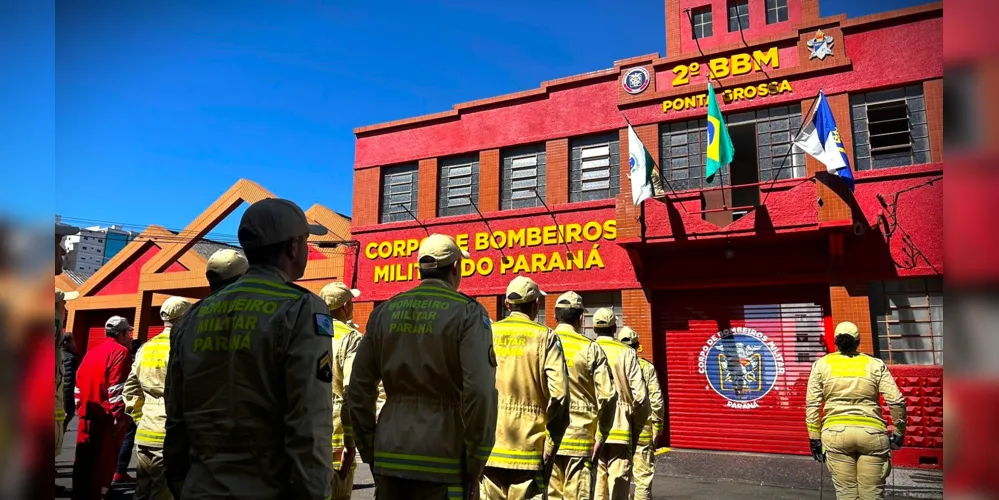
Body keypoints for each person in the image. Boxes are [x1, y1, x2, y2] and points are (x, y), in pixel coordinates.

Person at [163, 198, 333, 499]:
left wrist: (179, 482)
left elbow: (176, 416)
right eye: (306, 241)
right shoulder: (301, 308)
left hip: (199, 488)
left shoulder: (194, 315)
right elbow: (309, 419)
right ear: (294, 246)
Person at [347, 234, 497, 500]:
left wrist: (370, 447)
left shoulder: (385, 312)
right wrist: (476, 460)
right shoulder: (468, 313)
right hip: (444, 458)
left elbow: (358, 390)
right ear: (455, 268)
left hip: (389, 452)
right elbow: (480, 393)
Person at [481, 276, 569, 500]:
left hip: (490, 448)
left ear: (508, 305)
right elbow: (559, 395)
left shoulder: (488, 333)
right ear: (536, 305)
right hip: (528, 449)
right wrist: (552, 442)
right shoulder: (545, 337)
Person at [806, 321, 908, 500]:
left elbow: (813, 404)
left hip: (836, 434)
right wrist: (899, 433)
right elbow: (897, 401)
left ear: (835, 342)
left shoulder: (821, 365)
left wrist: (814, 439)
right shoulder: (874, 364)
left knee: (847, 493)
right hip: (872, 434)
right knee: (871, 494)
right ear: (858, 341)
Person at [547, 291, 617, 500]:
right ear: (580, 318)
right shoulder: (590, 349)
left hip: (547, 439)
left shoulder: (543, 342)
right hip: (580, 439)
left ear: (555, 316)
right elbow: (607, 396)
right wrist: (602, 434)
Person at [124, 296, 192, 500]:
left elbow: (130, 390)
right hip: (169, 435)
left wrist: (139, 417)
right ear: (184, 318)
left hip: (145, 432)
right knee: (164, 493)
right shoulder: (183, 347)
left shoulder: (146, 348)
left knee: (143, 490)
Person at [73, 315, 134, 500]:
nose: (130, 336)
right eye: (128, 333)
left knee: (83, 462)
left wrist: (79, 407)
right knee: (101, 465)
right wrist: (120, 417)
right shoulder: (121, 352)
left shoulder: (93, 351)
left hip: (86, 414)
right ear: (122, 333)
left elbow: (78, 382)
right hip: (105, 418)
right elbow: (117, 387)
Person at [591, 309, 649, 500]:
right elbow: (640, 396)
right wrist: (636, 427)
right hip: (621, 427)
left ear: (593, 327)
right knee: (619, 479)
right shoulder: (627, 353)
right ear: (615, 328)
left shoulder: (588, 349)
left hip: (593, 426)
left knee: (598, 480)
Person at [319, 281, 363, 500]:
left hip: (306, 432)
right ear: (345, 307)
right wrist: (350, 442)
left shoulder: (305, 333)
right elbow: (352, 392)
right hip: (336, 434)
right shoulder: (351, 338)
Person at [615, 327, 664, 500]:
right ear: (637, 346)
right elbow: (656, 399)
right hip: (643, 426)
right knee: (643, 477)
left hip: (619, 426)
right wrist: (657, 426)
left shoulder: (613, 366)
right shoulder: (646, 367)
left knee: (621, 474)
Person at [114, 337, 144, 485]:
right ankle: (120, 470)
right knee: (128, 438)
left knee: (122, 437)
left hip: (122, 403)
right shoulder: (135, 362)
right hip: (133, 405)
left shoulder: (126, 359)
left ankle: (116, 470)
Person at [62, 332, 79, 432]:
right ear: (66, 343)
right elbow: (68, 383)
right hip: (62, 400)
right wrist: (69, 407)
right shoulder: (69, 359)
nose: (75, 344)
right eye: (73, 341)